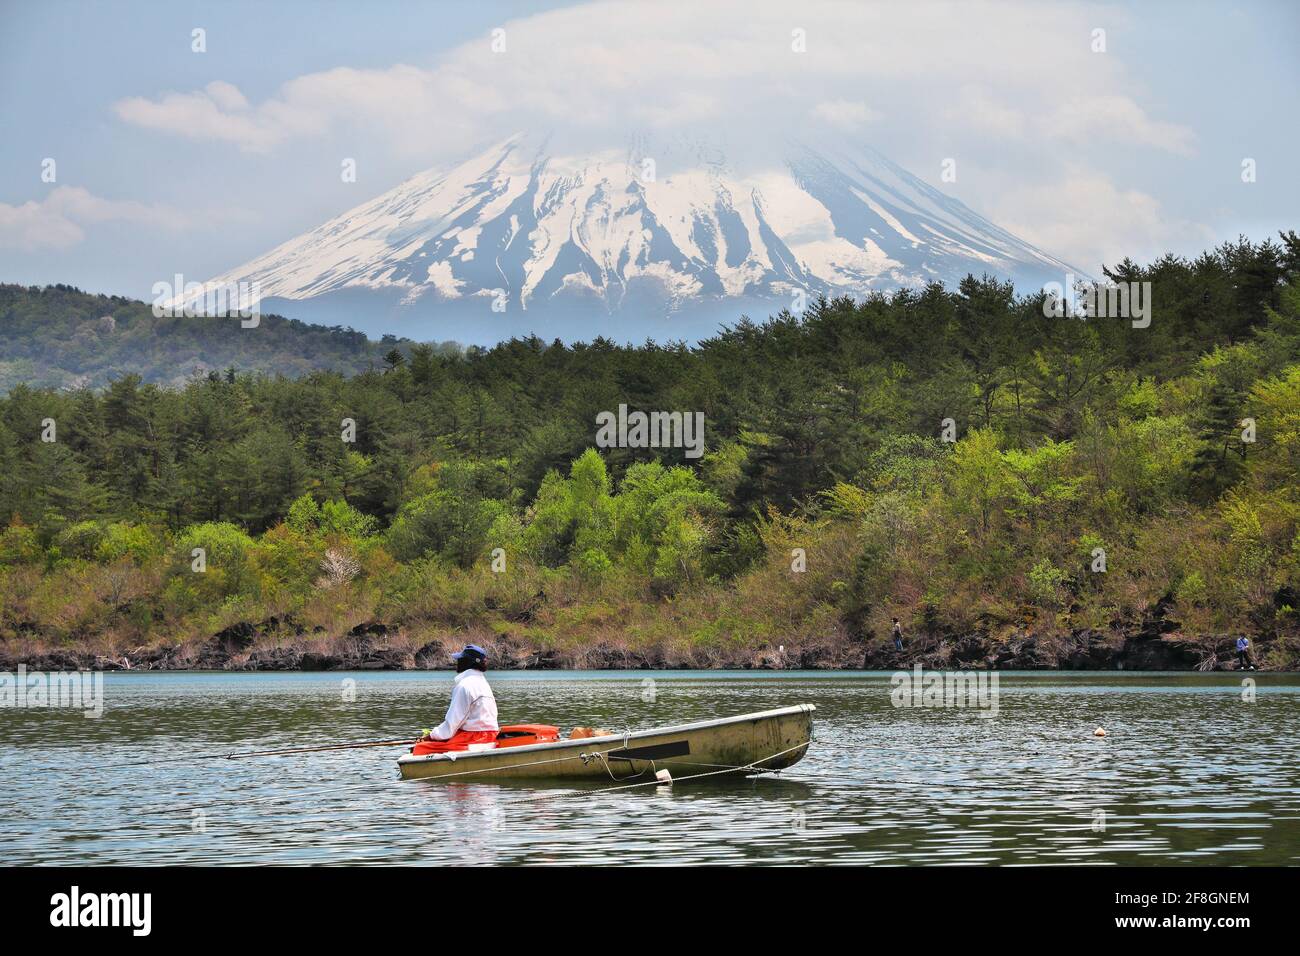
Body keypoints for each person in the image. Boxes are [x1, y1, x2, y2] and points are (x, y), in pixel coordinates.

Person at [416, 644, 500, 752]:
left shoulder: (464, 686)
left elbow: (451, 725)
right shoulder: (483, 683)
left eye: (461, 659)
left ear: (467, 662)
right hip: (492, 735)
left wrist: (430, 736)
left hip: (476, 738)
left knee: (421, 748)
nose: (457, 662)